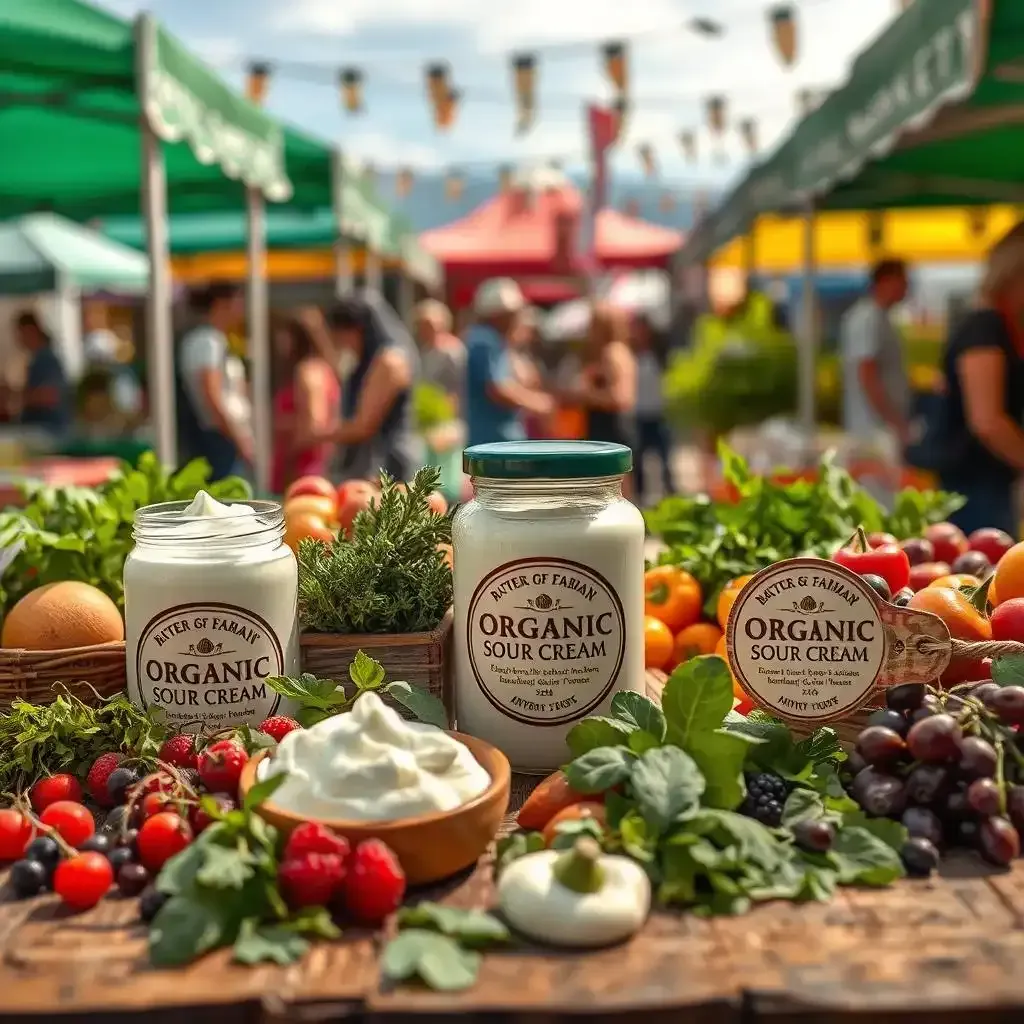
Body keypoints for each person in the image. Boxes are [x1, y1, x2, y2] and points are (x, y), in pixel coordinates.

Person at [934, 223, 1024, 536]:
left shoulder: (990, 326)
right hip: (976, 487)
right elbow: (987, 421)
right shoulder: (985, 328)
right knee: (982, 579)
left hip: (980, 482)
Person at [326, 292, 420, 482]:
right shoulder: (375, 359)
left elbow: (363, 426)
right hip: (375, 464)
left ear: (357, 329)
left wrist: (317, 434)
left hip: (387, 466)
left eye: (340, 335)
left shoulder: (389, 361)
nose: (341, 344)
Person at [839, 259, 912, 502]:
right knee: (877, 498)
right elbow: (866, 374)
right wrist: (893, 420)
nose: (907, 289)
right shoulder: (867, 319)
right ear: (885, 281)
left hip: (879, 426)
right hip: (873, 428)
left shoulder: (879, 318)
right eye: (903, 282)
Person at [176, 282, 253, 480]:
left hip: (220, 435)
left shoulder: (212, 339)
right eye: (238, 301)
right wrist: (237, 437)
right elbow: (211, 394)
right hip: (217, 438)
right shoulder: (207, 341)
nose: (242, 307)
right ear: (221, 303)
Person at [464, 278, 552, 448]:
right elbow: (497, 389)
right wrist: (537, 403)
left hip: (498, 439)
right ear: (498, 315)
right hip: (492, 442)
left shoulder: (493, 340)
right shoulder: (484, 340)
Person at [270, 309, 341, 494]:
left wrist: (289, 460)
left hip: (300, 468)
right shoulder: (323, 369)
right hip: (312, 465)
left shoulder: (307, 372)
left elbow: (312, 427)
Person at [578, 303, 637, 452]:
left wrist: (587, 395)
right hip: (617, 426)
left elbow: (620, 397)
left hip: (610, 429)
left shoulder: (611, 353)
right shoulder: (622, 351)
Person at [632, 313, 676, 503]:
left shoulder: (660, 353)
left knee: (665, 460)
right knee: (638, 462)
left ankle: (671, 498)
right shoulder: (631, 355)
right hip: (638, 415)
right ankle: (641, 501)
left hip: (659, 414)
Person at [13, 311, 71, 436]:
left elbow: (50, 395)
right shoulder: (37, 359)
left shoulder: (46, 359)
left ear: (31, 331)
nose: (18, 339)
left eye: (20, 333)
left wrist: (18, 397)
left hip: (47, 430)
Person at [415, 299, 465, 413]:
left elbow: (460, 387)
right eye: (420, 324)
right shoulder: (425, 351)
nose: (423, 329)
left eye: (428, 324)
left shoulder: (453, 352)